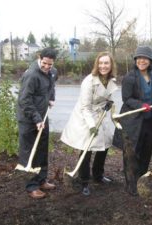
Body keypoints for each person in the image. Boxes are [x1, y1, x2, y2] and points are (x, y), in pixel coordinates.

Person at [113, 46, 152, 196]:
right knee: (132, 154)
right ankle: (131, 185)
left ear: (150, 61)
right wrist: (140, 105)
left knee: (146, 152)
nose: (141, 61)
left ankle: (142, 180)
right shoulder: (130, 77)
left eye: (145, 58)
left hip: (150, 122)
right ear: (135, 60)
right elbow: (127, 99)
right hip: (133, 122)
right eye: (139, 58)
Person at [61, 52, 118, 196]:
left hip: (101, 115)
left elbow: (107, 98)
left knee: (104, 146)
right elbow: (85, 107)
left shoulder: (110, 80)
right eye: (101, 63)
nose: (103, 66)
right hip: (86, 117)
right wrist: (92, 125)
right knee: (86, 149)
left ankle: (98, 176)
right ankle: (84, 181)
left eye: (106, 63)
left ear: (111, 65)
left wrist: (109, 103)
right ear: (96, 64)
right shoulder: (89, 81)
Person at [17, 47, 58, 199]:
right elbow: (24, 100)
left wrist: (51, 97)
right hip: (28, 119)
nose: (47, 67)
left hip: (42, 116)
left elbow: (51, 84)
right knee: (30, 152)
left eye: (50, 64)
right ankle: (32, 186)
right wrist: (36, 119)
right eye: (44, 63)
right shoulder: (32, 75)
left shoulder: (53, 71)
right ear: (39, 58)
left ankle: (41, 180)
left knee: (42, 149)